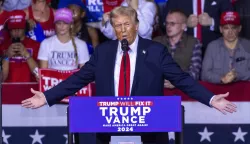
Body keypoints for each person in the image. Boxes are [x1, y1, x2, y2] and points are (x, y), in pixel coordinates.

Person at [22, 6, 237, 144]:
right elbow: (78, 79)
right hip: (109, 131)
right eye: (117, 26)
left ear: (136, 26)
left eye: (126, 25)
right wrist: (47, 95)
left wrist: (210, 98)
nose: (122, 30)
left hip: (150, 133)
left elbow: (181, 79)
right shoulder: (103, 52)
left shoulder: (155, 51)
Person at [154, 10, 202, 89]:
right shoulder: (156, 42)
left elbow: (195, 73)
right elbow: (149, 69)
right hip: (158, 89)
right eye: (167, 23)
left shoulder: (194, 43)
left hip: (184, 91)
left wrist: (176, 82)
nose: (168, 26)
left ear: (183, 26)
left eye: (172, 23)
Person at [164, 0, 233, 54]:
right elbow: (164, 24)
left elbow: (232, 23)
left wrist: (212, 22)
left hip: (215, 51)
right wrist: (184, 24)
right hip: (183, 51)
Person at [201, 11, 250, 84]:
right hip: (218, 91)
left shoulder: (248, 45)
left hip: (243, 91)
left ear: (239, 28)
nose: (230, 32)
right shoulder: (212, 46)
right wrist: (222, 78)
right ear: (221, 29)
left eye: (233, 28)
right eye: (226, 28)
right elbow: (204, 75)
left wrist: (237, 76)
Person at [0, 10, 39, 82]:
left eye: (19, 27)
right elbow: (1, 79)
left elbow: (39, 75)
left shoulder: (36, 45)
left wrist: (27, 55)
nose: (16, 31)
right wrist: (6, 56)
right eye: (13, 28)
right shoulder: (3, 46)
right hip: (8, 89)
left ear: (25, 27)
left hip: (30, 88)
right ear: (9, 29)